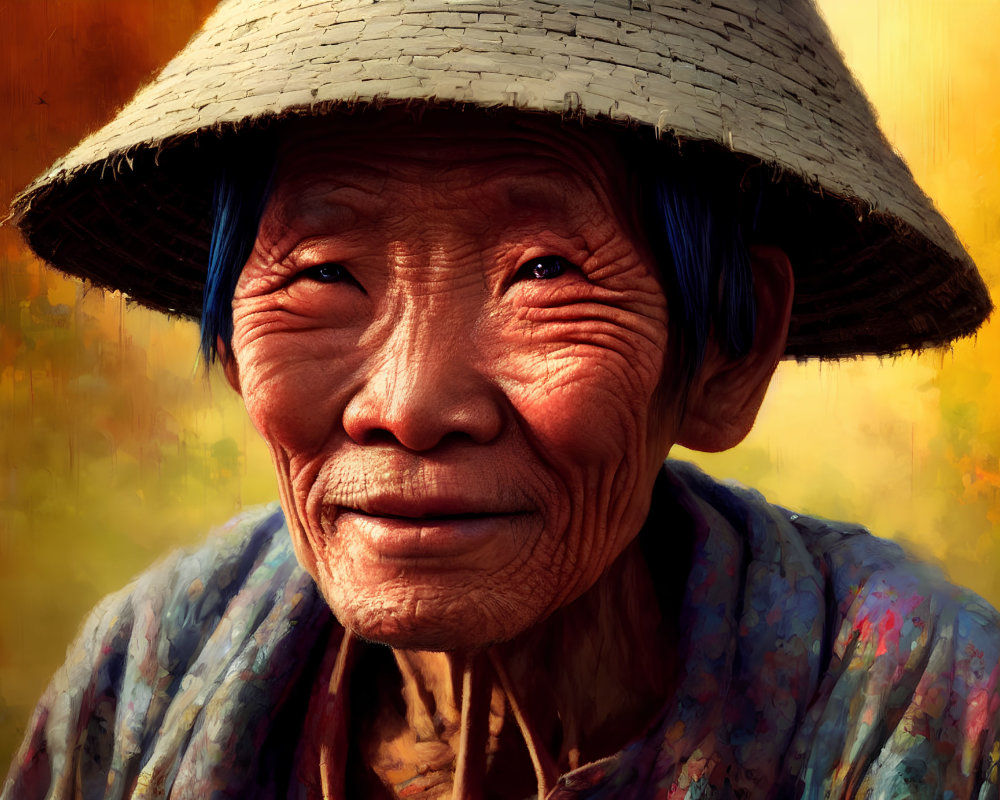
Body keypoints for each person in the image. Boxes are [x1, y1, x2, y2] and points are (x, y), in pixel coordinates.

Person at [3, 0, 999, 798]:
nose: (408, 402)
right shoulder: (146, 671)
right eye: (320, 272)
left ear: (727, 349)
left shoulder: (939, 714)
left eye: (543, 271)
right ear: (230, 334)